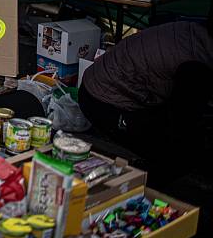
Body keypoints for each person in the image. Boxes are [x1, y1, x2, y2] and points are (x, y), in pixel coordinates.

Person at [79, 21, 213, 179]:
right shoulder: (195, 64)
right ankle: (143, 189)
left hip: (108, 84)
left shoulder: (196, 33)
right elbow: (182, 122)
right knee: (177, 154)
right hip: (101, 98)